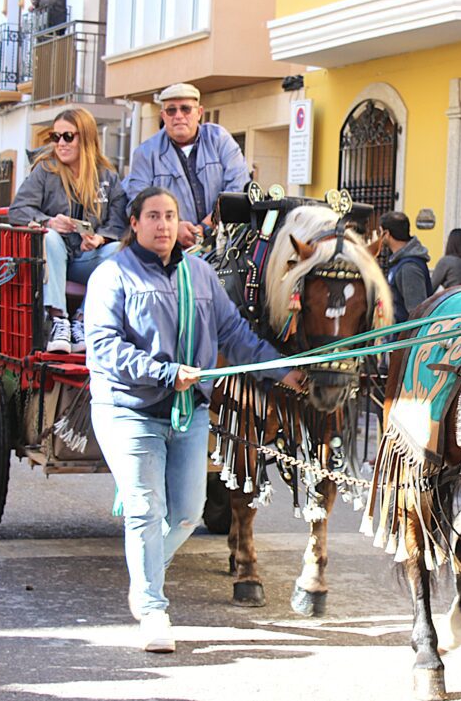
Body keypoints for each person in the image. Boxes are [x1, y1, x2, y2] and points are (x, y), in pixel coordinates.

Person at [85, 186, 303, 652]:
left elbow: (235, 334)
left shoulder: (200, 274)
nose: (163, 224)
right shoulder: (112, 275)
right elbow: (104, 348)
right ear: (134, 223)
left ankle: (144, 574)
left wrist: (284, 371)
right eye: (153, 216)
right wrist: (165, 372)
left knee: (186, 514)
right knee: (146, 509)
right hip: (129, 410)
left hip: (188, 412)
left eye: (170, 215)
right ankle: (152, 608)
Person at [10, 108, 127, 353]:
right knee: (50, 237)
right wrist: (49, 222)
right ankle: (58, 319)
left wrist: (100, 238)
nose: (60, 143)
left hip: (85, 259)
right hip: (51, 259)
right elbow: (18, 210)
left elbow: (118, 223)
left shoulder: (107, 176)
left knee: (120, 250)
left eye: (68, 136)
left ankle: (82, 319)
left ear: (86, 137)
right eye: (55, 137)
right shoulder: (45, 170)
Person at [123, 83, 251, 249]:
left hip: (225, 246)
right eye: (171, 110)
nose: (178, 116)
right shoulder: (145, 153)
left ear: (199, 112)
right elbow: (137, 204)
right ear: (163, 116)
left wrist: (206, 226)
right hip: (169, 250)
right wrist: (174, 228)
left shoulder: (220, 139)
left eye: (185, 109)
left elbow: (239, 188)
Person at [380, 211, 431, 324]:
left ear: (386, 233)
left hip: (403, 334)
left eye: (380, 232)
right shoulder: (399, 263)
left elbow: (417, 313)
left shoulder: (409, 267)